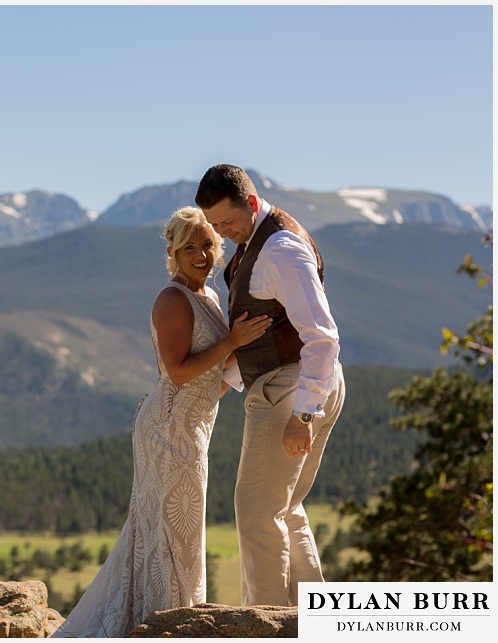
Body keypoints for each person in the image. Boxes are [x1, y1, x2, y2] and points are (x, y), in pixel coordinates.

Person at [51, 207, 271, 638]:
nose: (201, 254)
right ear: (172, 251)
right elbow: (178, 371)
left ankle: (158, 620)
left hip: (193, 427)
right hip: (168, 431)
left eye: (208, 244)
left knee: (172, 531)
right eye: (190, 246)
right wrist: (232, 341)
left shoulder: (208, 296)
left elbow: (208, 379)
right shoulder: (172, 299)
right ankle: (166, 623)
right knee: (172, 531)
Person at [194, 164, 346, 607]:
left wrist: (303, 415)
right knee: (285, 510)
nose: (224, 232)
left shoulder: (279, 247)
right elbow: (271, 327)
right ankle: (309, 622)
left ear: (253, 203)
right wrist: (214, 388)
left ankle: (264, 625)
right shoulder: (260, 240)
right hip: (301, 383)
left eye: (229, 222)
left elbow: (321, 336)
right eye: (216, 225)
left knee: (258, 514)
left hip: (292, 388)